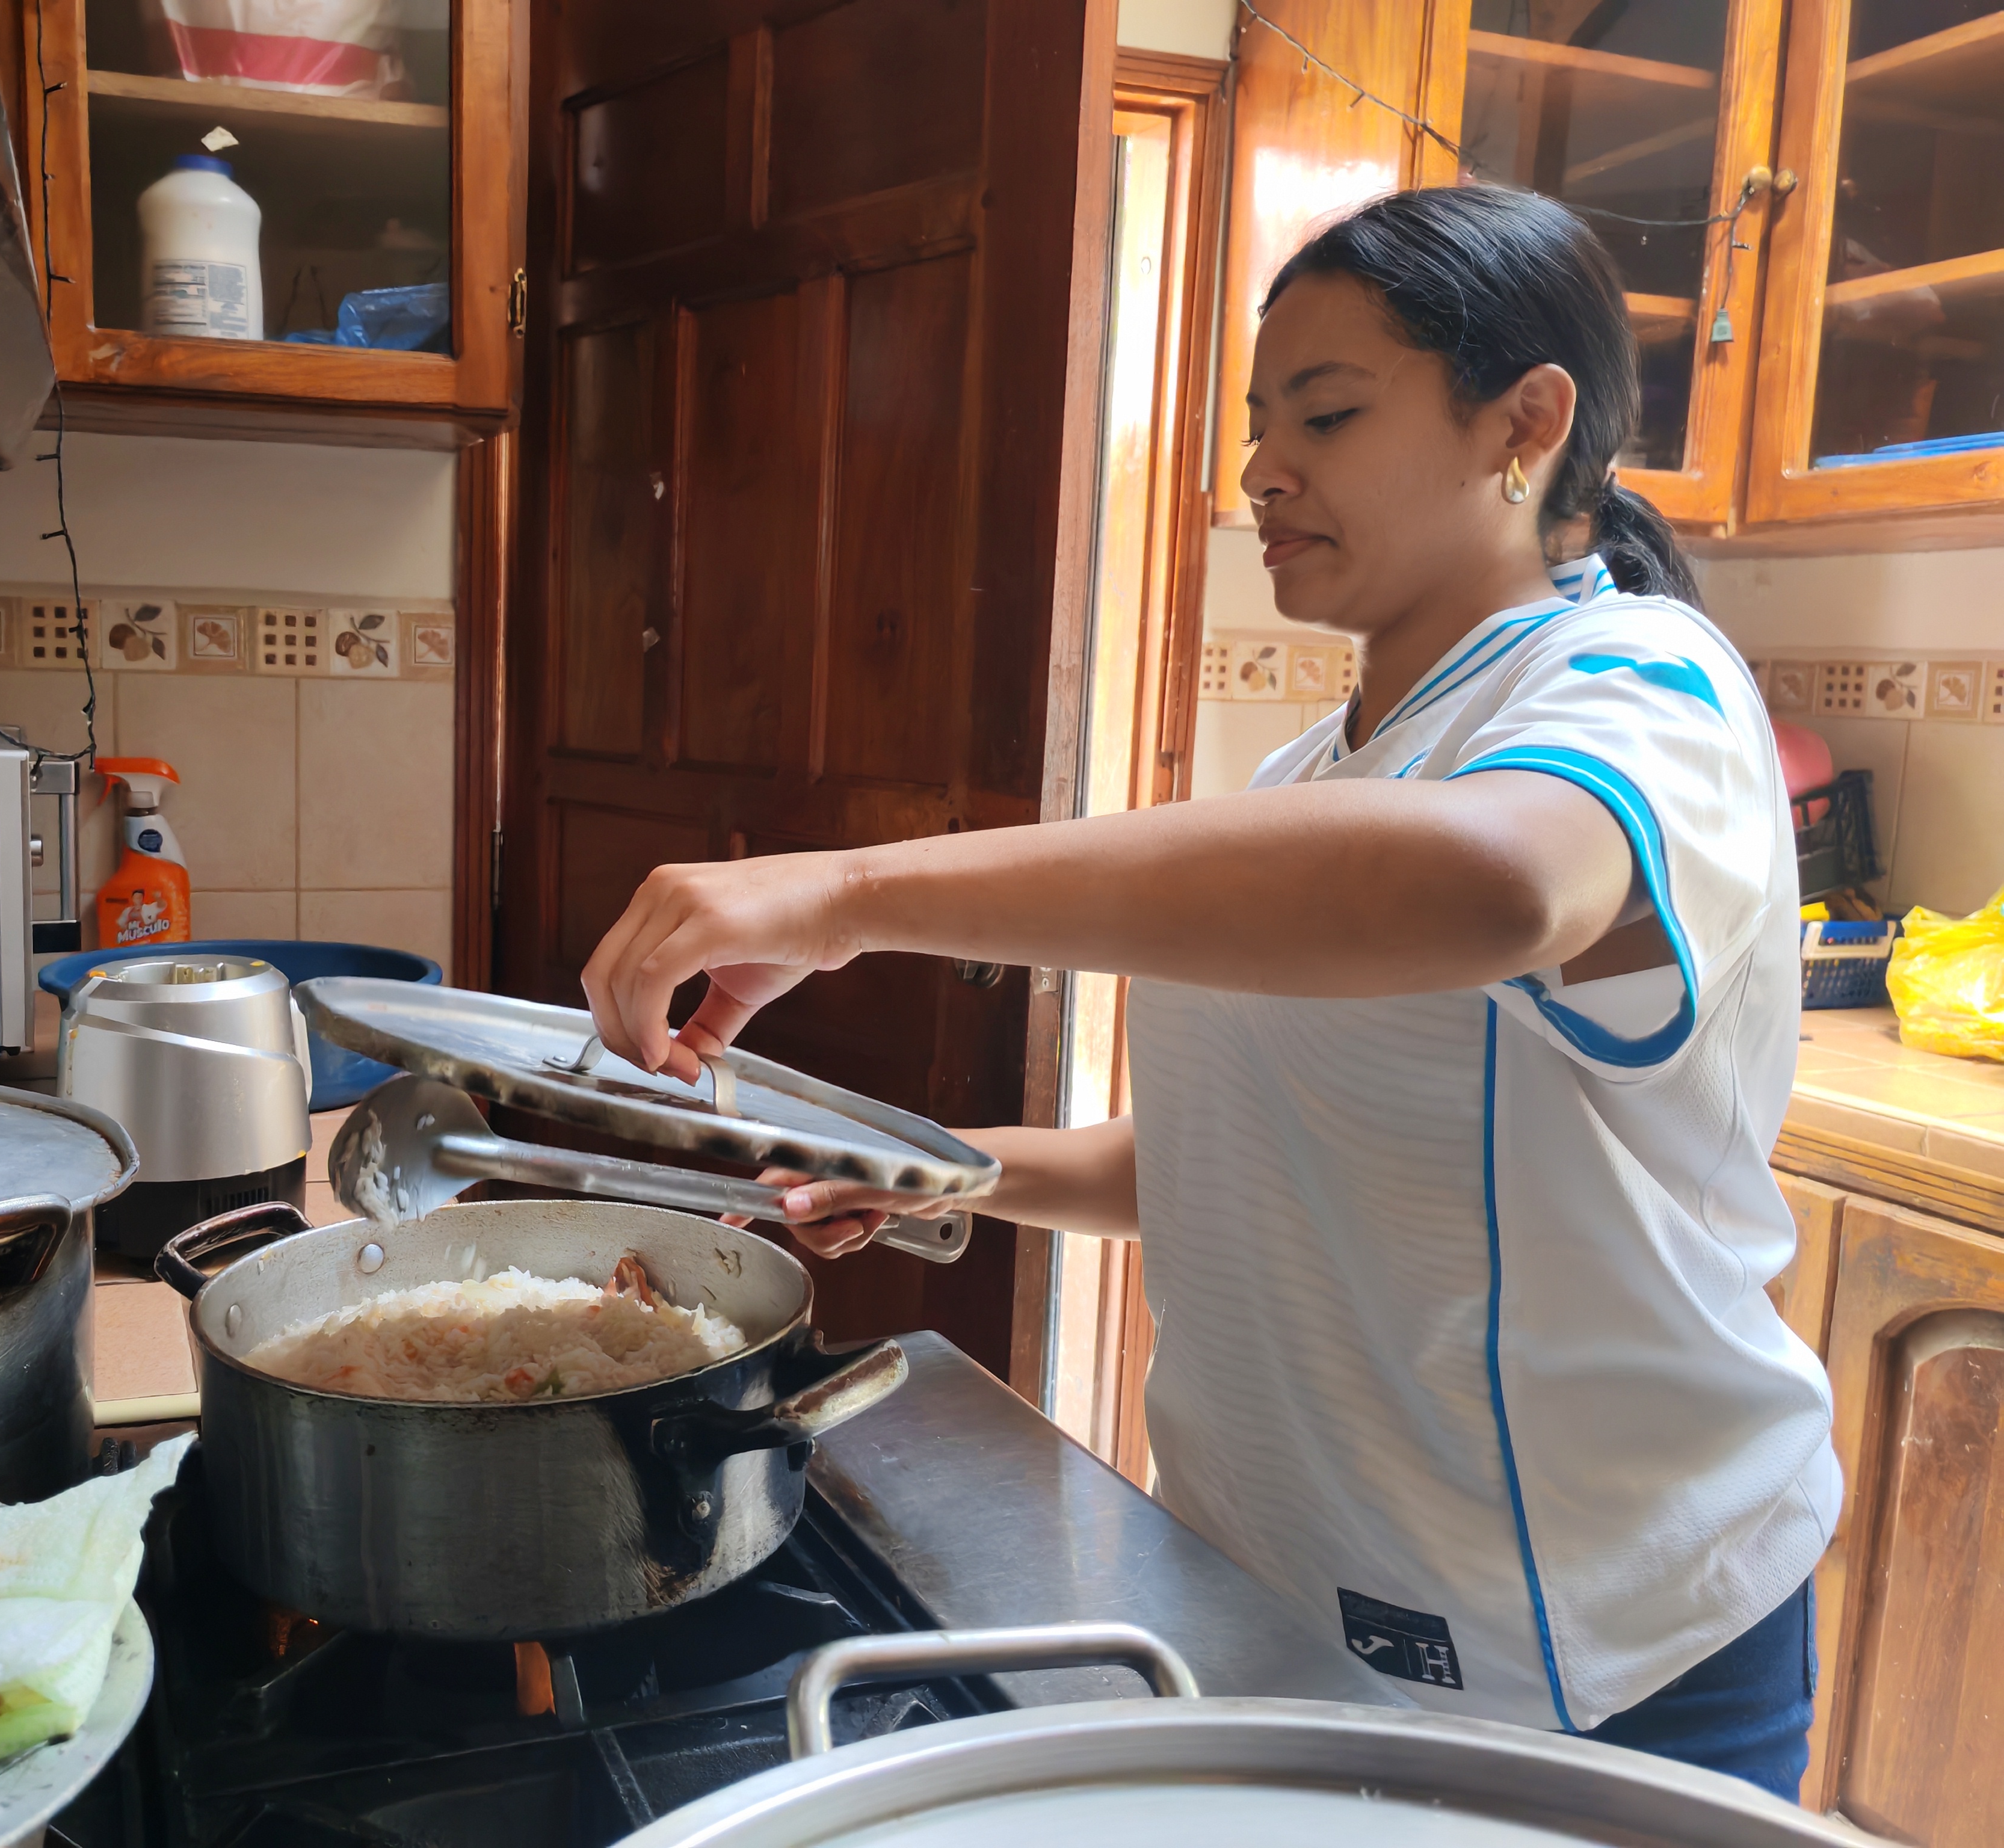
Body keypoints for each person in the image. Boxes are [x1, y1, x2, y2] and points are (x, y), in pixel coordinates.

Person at [576, 185, 1834, 1799]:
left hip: (1597, 1651)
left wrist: (843, 894)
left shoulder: (1644, 691)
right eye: (1258, 424)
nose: (1260, 470)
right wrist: (933, 1171)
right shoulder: (1323, 768)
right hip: (1277, 1601)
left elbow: (1500, 886)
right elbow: (1245, 1160)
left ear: (1525, 425)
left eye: (1327, 412)